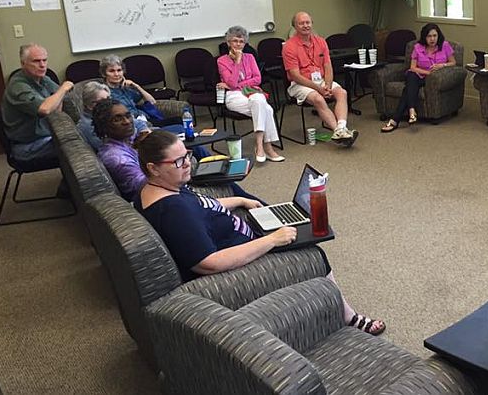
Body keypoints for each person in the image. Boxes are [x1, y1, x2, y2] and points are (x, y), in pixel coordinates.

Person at [133, 130, 385, 335]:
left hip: (242, 233)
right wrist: (271, 240)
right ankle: (347, 315)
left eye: (186, 156)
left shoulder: (161, 188)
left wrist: (240, 202)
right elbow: (208, 263)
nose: (188, 164)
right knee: (313, 252)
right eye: (178, 161)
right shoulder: (173, 210)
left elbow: (204, 207)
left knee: (284, 219)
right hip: (236, 258)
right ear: (153, 168)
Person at [282, 11, 358, 147]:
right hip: (300, 83)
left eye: (308, 22)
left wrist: (328, 85)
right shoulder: (289, 46)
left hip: (322, 80)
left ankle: (341, 128)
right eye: (301, 23)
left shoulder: (321, 42)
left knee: (342, 93)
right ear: (295, 26)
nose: (305, 26)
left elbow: (328, 66)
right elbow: (295, 75)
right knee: (318, 98)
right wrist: (319, 89)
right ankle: (338, 131)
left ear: (312, 24)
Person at [216, 25, 283, 163]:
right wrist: (238, 62)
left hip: (251, 93)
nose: (238, 44)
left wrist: (237, 84)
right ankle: (268, 148)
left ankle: (260, 145)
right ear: (228, 42)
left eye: (241, 42)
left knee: (259, 100)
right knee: (267, 109)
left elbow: (258, 79)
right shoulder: (222, 61)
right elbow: (233, 84)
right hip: (233, 96)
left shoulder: (250, 57)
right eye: (235, 41)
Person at [1, 44, 74, 161]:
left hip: (46, 136)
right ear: (23, 63)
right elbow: (44, 109)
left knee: (84, 135)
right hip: (27, 146)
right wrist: (64, 88)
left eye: (44, 60)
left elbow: (61, 98)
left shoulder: (42, 79)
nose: (42, 65)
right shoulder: (17, 85)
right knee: (78, 144)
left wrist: (58, 99)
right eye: (36, 61)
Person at [381, 23, 456, 132]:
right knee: (411, 76)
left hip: (434, 79)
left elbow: (453, 62)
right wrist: (427, 72)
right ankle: (411, 110)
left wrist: (442, 65)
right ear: (424, 37)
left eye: (434, 36)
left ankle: (395, 120)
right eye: (429, 36)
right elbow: (413, 67)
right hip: (419, 75)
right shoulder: (417, 47)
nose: (432, 39)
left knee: (407, 90)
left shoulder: (444, 46)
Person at [99, 54, 177, 127]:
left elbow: (152, 102)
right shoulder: (104, 93)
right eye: (111, 71)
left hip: (146, 118)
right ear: (104, 74)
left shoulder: (126, 87)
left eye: (119, 70)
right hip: (134, 124)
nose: (116, 74)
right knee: (177, 124)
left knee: (180, 120)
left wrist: (136, 86)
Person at [76, 80, 149, 152]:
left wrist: (145, 132)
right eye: (103, 101)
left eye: (109, 98)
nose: (109, 103)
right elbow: (107, 147)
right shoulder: (87, 125)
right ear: (90, 105)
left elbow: (137, 122)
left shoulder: (109, 112)